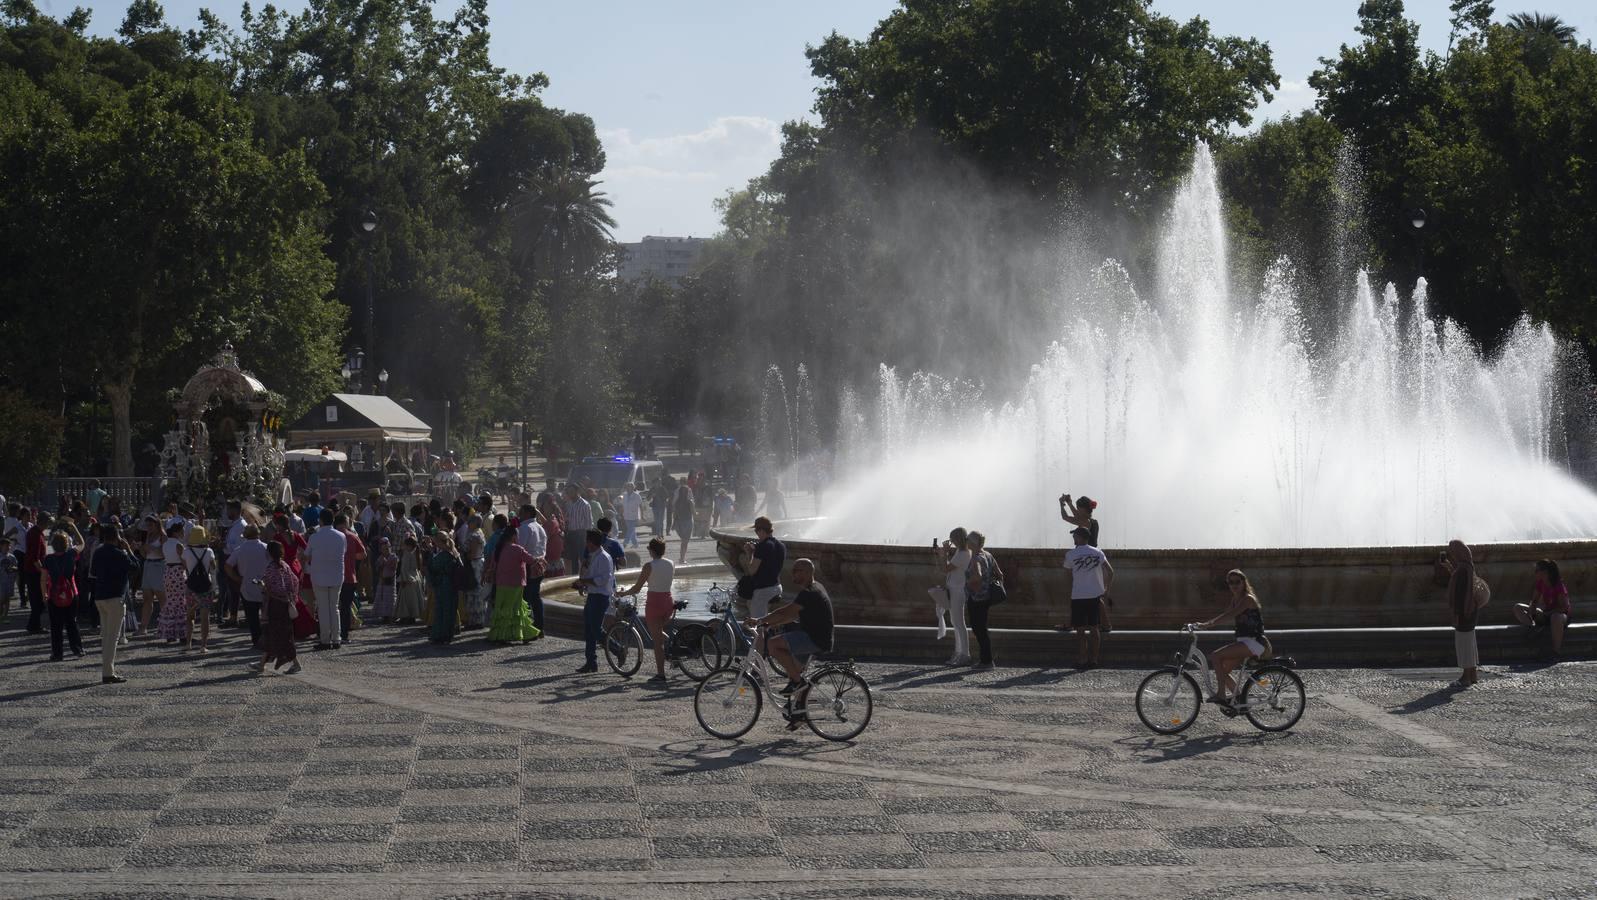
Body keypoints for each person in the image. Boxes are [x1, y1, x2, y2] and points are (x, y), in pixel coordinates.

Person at [744, 558, 833, 729]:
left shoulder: (809, 592)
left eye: (797, 571)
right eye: (793, 570)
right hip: (816, 635)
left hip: (814, 639)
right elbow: (792, 615)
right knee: (796, 669)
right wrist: (771, 623)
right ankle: (800, 713)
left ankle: (797, 682)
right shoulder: (814, 587)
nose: (793, 574)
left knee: (773, 645)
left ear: (807, 573)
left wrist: (760, 620)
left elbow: (786, 611)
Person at [1190, 569, 1266, 710]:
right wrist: (1205, 624)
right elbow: (1225, 613)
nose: (1234, 585)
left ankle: (1221, 695)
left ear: (1244, 582)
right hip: (1244, 642)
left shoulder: (1248, 598)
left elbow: (1230, 615)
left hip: (1254, 642)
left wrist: (1207, 625)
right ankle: (1238, 700)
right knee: (1222, 672)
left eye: (1237, 582)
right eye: (1231, 582)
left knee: (1215, 656)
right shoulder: (1235, 599)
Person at [618, 537, 676, 683]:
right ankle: (673, 649)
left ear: (651, 550)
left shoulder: (649, 566)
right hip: (668, 601)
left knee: (657, 642)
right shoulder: (671, 563)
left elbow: (637, 588)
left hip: (654, 603)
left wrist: (623, 593)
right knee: (658, 633)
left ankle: (661, 674)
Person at [88, 524, 137, 683]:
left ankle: (107, 669)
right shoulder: (120, 553)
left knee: (106, 636)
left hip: (100, 597)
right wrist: (129, 549)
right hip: (115, 597)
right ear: (117, 538)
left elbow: (93, 572)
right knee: (112, 638)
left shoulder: (98, 551)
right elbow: (136, 566)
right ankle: (108, 672)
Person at [1062, 525, 1112, 669]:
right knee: (1095, 628)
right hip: (1094, 595)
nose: (1073, 537)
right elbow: (1111, 571)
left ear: (1080, 537)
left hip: (1078, 595)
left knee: (1080, 630)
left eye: (1075, 535)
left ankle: (1082, 659)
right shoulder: (1098, 552)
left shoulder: (1070, 555)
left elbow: (1067, 575)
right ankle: (1094, 659)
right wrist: (1106, 588)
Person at [1059, 493, 1109, 631]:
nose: (1077, 509)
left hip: (1085, 559)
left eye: (1078, 507)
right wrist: (1068, 503)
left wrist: (1062, 504)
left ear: (1083, 509)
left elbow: (1065, 517)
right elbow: (1076, 516)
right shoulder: (1092, 521)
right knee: (1096, 597)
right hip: (1093, 558)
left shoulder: (1085, 522)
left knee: (1076, 592)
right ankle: (1106, 624)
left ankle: (1071, 624)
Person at [251, 540, 302, 674]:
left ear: (268, 553)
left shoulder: (271, 568)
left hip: (275, 605)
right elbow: (295, 581)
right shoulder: (285, 566)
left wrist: (263, 587)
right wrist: (292, 597)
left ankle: (294, 663)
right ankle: (261, 664)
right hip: (285, 604)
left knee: (276, 634)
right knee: (278, 634)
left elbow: (274, 589)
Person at [485, 521, 540, 643]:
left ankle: (501, 634)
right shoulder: (518, 549)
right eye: (517, 535)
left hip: (501, 584)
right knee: (516, 609)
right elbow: (531, 560)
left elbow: (493, 566)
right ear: (513, 536)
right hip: (515, 584)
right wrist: (540, 560)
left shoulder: (498, 549)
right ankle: (522, 634)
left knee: (503, 608)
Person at [573, 529, 616, 673]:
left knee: (596, 630)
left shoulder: (603, 557)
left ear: (591, 542)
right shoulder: (593, 556)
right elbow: (592, 577)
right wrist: (582, 583)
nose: (586, 543)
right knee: (589, 630)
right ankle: (591, 662)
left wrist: (583, 581)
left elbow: (602, 580)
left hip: (600, 597)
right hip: (593, 595)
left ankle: (617, 649)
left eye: (587, 541)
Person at [304, 509, 347, 650]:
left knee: (322, 609)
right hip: (336, 575)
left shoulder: (314, 537)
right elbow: (344, 552)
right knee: (334, 608)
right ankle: (336, 638)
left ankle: (325, 639)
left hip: (319, 576)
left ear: (320, 520)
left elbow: (306, 555)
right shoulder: (341, 536)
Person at [41, 528, 85, 661]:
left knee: (56, 626)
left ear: (53, 545)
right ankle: (77, 649)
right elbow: (82, 543)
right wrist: (75, 528)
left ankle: (57, 653)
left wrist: (44, 594)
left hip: (54, 594)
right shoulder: (71, 554)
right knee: (72, 622)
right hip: (72, 592)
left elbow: (43, 578)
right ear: (67, 544)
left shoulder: (47, 559)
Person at [1441, 540, 1480, 686]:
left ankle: (1466, 676)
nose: (1451, 553)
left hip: (1464, 611)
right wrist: (1451, 568)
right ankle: (1473, 674)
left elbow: (1460, 593)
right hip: (1470, 610)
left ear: (1459, 552)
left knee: (1463, 643)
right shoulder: (1467, 566)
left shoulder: (1463, 569)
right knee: (1469, 642)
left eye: (1453, 550)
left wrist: (1457, 613)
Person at [1514, 559, 1571, 657]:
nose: (1535, 573)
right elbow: (1534, 600)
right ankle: (1533, 627)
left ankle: (1556, 651)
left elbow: (1564, 607)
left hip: (1560, 616)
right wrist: (1532, 608)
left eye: (1537, 570)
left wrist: (1549, 613)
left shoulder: (1558, 586)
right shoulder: (1540, 583)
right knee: (1518, 607)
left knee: (1555, 617)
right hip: (1545, 614)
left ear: (1545, 572)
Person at [227, 524, 271, 648]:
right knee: (266, 616)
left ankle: (256, 641)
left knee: (252, 618)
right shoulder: (266, 548)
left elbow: (227, 566)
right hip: (265, 586)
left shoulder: (240, 549)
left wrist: (237, 578)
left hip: (247, 586)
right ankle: (267, 639)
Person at [936, 527, 973, 667]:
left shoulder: (963, 553)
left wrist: (944, 554)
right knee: (955, 622)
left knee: (959, 623)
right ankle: (959, 652)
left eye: (952, 539)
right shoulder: (961, 552)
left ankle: (965, 654)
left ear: (958, 538)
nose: (951, 541)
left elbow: (945, 569)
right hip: (955, 589)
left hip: (958, 590)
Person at [738, 516, 786, 620]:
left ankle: (761, 636)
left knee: (757, 623)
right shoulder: (781, 545)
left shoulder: (763, 546)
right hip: (777, 586)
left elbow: (751, 571)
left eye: (756, 530)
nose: (756, 533)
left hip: (764, 590)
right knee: (754, 607)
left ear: (760, 530)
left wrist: (749, 554)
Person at [965, 530, 1000, 669]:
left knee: (978, 629)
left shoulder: (976, 558)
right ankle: (986, 659)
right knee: (982, 629)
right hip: (986, 597)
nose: (966, 543)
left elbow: (977, 575)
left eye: (968, 540)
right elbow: (1000, 574)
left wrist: (969, 582)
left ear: (972, 543)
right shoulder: (988, 555)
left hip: (976, 597)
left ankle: (987, 661)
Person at [180, 526, 218, 653]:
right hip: (206, 586)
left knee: (190, 616)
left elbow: (185, 567)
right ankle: (203, 645)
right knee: (204, 617)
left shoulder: (186, 552)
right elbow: (213, 568)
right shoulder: (209, 551)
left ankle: (188, 643)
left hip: (191, 586)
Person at [516, 503, 549, 635]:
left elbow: (520, 548)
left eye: (521, 513)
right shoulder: (540, 527)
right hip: (540, 564)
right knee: (535, 597)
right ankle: (539, 626)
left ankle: (529, 627)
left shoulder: (525, 528)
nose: (519, 515)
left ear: (528, 514)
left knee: (526, 597)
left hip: (529, 564)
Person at [336, 513, 367, 645]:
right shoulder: (352, 536)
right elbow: (362, 554)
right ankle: (343, 634)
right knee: (346, 607)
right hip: (348, 576)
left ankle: (330, 633)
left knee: (332, 606)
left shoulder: (331, 536)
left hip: (331, 577)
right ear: (345, 522)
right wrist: (351, 557)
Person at [427, 533, 463, 644]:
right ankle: (448, 634)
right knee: (450, 610)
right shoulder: (455, 553)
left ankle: (440, 634)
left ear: (439, 542)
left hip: (443, 584)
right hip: (453, 585)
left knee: (441, 610)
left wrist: (430, 552)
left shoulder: (442, 555)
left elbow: (433, 566)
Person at [23, 510, 50, 633]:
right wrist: (42, 572)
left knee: (37, 600)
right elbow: (34, 557)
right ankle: (34, 626)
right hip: (34, 571)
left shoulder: (37, 532)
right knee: (37, 600)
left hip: (34, 570)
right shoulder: (35, 534)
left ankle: (34, 625)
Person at [562, 484, 594, 574]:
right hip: (571, 533)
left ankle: (587, 576)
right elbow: (568, 518)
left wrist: (587, 536)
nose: (570, 493)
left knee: (583, 557)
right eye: (569, 492)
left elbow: (589, 522)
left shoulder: (584, 504)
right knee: (573, 558)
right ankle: (575, 576)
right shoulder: (569, 504)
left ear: (577, 491)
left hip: (581, 534)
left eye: (572, 491)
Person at [393, 535, 424, 624]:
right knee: (413, 599)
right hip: (414, 578)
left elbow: (405, 568)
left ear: (408, 546)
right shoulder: (415, 553)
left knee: (406, 599)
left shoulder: (407, 554)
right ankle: (411, 616)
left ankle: (407, 616)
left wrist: (404, 579)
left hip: (408, 579)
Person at [371, 537, 398, 621]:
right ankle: (384, 615)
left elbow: (394, 568)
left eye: (387, 548)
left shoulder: (394, 557)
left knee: (390, 598)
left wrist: (386, 562)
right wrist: (380, 565)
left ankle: (391, 615)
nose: (385, 550)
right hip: (382, 581)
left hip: (390, 580)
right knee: (382, 598)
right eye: (383, 549)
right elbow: (377, 569)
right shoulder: (380, 558)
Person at [672, 483, 695, 563]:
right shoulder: (690, 502)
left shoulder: (677, 502)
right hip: (687, 522)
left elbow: (675, 514)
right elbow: (693, 512)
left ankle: (682, 558)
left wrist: (673, 524)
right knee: (685, 541)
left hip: (679, 523)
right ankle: (682, 558)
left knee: (683, 541)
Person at [620, 482, 644, 549]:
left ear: (633, 488)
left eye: (630, 486)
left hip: (634, 515)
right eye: (627, 486)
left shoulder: (637, 496)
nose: (628, 488)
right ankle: (635, 544)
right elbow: (622, 505)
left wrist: (642, 515)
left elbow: (641, 506)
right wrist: (621, 513)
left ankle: (625, 543)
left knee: (630, 530)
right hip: (626, 515)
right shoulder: (624, 495)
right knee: (631, 530)